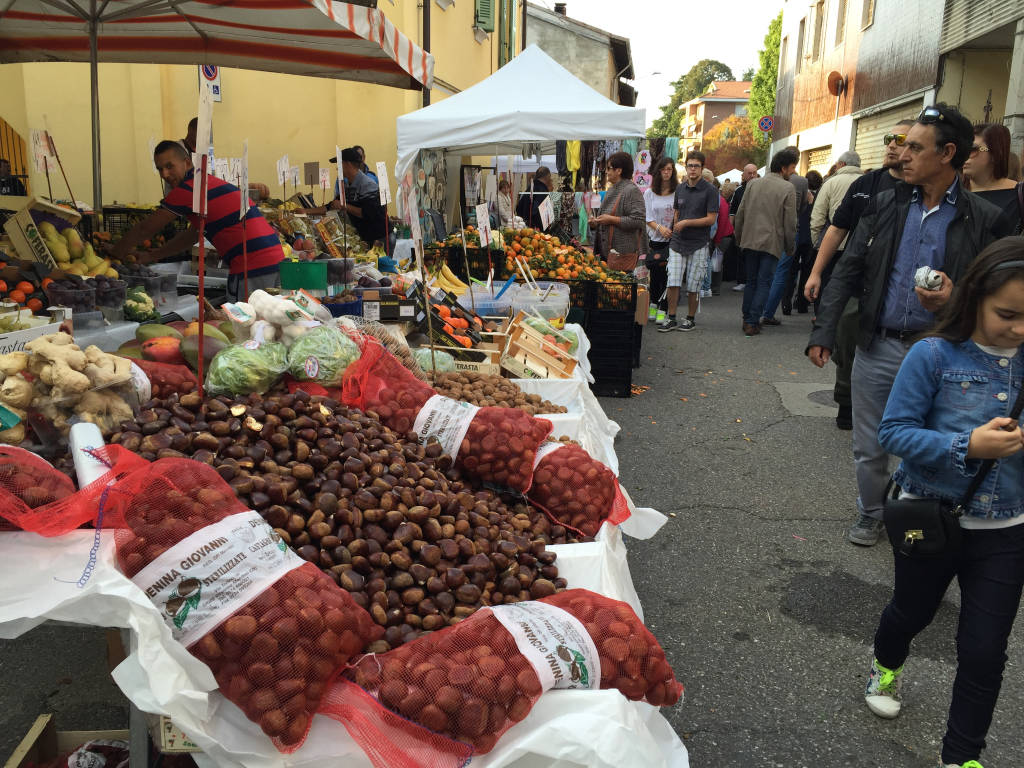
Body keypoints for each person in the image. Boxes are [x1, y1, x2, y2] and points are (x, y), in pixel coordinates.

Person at [807, 103, 1012, 547]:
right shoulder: (885, 205)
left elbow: (1002, 294)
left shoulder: (984, 219)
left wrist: (956, 297)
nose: (902, 156)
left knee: (931, 445)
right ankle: (871, 514)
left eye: (915, 148)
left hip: (943, 353)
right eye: (902, 147)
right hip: (878, 346)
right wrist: (823, 332)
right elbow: (849, 269)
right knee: (869, 446)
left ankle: (920, 524)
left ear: (947, 153)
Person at [867, 238, 1024, 768]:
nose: (1020, 329)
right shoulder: (932, 354)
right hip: (930, 515)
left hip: (1007, 531)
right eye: (1008, 314)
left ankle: (961, 757)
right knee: (911, 612)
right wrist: (966, 446)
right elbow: (894, 432)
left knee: (984, 651)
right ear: (975, 296)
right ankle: (886, 663)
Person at [805, 126, 910, 431]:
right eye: (888, 139)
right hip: (857, 280)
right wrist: (815, 272)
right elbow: (836, 229)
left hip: (897, 284)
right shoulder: (867, 183)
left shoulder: (923, 188)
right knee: (847, 337)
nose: (891, 145)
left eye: (900, 141)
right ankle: (846, 401)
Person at [111, 140, 284, 302]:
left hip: (253, 267)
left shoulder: (191, 188)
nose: (165, 174)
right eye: (160, 169)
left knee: (247, 326)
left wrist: (115, 253)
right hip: (274, 261)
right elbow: (193, 234)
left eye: (170, 166)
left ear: (187, 163)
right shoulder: (202, 184)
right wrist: (152, 255)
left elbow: (145, 229)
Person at [733, 147, 798, 336]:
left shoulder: (753, 184)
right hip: (772, 243)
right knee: (764, 282)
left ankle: (747, 319)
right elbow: (790, 222)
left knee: (751, 281)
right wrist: (790, 246)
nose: (793, 171)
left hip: (749, 240)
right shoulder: (788, 188)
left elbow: (740, 214)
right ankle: (753, 321)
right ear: (784, 168)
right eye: (793, 167)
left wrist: (739, 237)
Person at [657, 151, 718, 332]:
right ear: (686, 167)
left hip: (698, 242)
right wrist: (676, 223)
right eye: (690, 165)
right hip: (678, 242)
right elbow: (677, 211)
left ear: (702, 168)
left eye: (696, 166)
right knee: (673, 281)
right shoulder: (680, 188)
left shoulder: (710, 190)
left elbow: (711, 219)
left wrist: (686, 222)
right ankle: (672, 317)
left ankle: (690, 319)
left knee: (693, 285)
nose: (693, 169)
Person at [761, 147, 814, 325]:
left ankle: (758, 310)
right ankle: (768, 312)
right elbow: (801, 210)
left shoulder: (762, 181)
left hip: (766, 229)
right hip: (790, 230)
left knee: (765, 271)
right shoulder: (800, 182)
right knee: (782, 272)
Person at [590, 151, 646, 270]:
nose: (606, 171)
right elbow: (606, 218)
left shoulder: (631, 190)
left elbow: (638, 220)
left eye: (609, 168)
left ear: (619, 171)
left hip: (622, 255)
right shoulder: (612, 189)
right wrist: (596, 222)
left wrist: (611, 219)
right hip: (609, 254)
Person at [964, 123, 1021, 233]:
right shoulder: (952, 190)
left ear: (995, 153)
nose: (965, 156)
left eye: (973, 149)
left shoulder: (1018, 195)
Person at [782, 168, 823, 314]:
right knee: (807, 271)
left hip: (797, 234)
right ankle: (802, 303)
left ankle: (786, 303)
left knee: (791, 271)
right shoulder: (818, 197)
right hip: (810, 238)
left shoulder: (797, 194)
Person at [644, 156, 677, 323]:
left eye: (669, 169)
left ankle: (663, 308)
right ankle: (653, 304)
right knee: (655, 274)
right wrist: (660, 228)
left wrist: (672, 229)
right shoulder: (650, 193)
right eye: (664, 169)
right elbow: (647, 217)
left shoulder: (677, 191)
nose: (666, 172)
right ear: (658, 171)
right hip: (656, 239)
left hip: (673, 240)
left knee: (668, 276)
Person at [332, 147, 386, 245]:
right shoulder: (347, 184)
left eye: (339, 165)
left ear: (347, 164)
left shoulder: (368, 184)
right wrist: (306, 211)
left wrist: (344, 205)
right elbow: (332, 205)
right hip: (365, 237)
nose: (337, 169)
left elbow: (367, 213)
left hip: (378, 239)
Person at [728, 163, 759, 293]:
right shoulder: (739, 191)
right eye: (749, 173)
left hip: (758, 228)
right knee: (742, 255)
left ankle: (754, 281)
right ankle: (741, 281)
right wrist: (733, 228)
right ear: (744, 175)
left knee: (756, 255)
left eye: (754, 173)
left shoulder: (762, 188)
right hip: (743, 228)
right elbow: (732, 211)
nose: (752, 176)